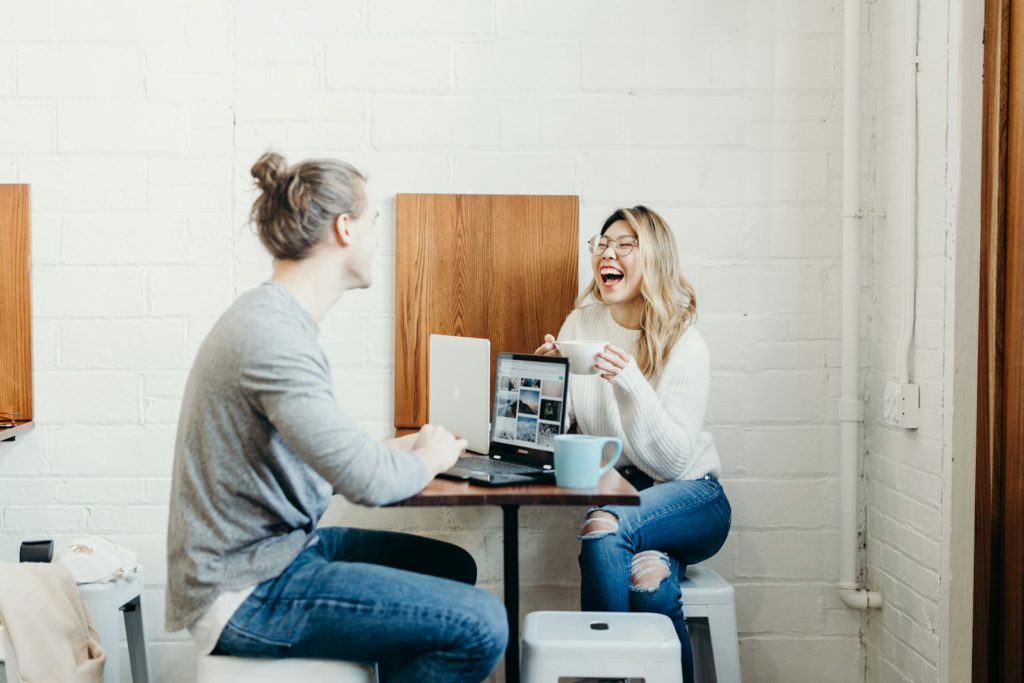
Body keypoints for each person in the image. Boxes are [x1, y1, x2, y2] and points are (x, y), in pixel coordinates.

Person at [165, 152, 507, 682]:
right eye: (374, 223)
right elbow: (366, 481)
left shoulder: (277, 321)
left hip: (277, 556)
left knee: (452, 567)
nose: (377, 237)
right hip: (245, 590)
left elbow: (325, 458)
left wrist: (402, 449)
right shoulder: (272, 338)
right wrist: (432, 457)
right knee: (483, 624)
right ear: (345, 228)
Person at [535, 205, 730, 683]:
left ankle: (601, 676)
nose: (609, 252)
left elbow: (674, 459)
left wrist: (631, 382)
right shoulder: (579, 325)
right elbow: (568, 432)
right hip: (627, 493)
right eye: (603, 243)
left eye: (626, 244)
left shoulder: (685, 342)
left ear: (654, 259)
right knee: (650, 582)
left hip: (692, 496)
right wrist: (548, 385)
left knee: (602, 525)